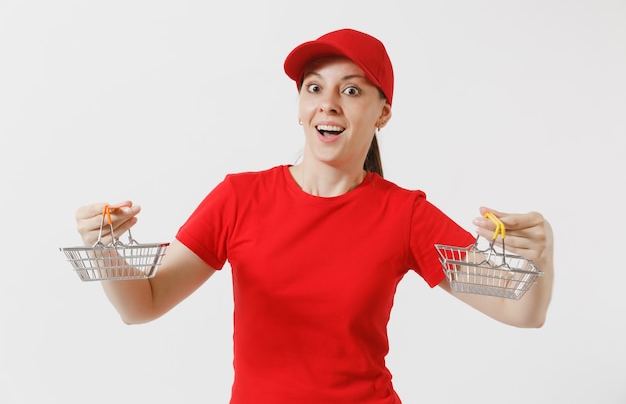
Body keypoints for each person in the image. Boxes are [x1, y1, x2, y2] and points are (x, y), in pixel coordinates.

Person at [75, 28, 554, 404]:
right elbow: (144, 305)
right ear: (301, 107)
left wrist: (542, 255)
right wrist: (105, 247)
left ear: (382, 112)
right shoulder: (239, 198)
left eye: (351, 91)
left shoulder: (405, 215)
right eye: (314, 87)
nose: (327, 102)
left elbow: (520, 312)